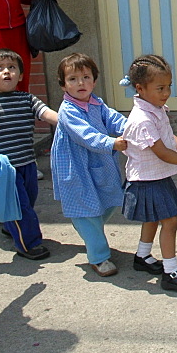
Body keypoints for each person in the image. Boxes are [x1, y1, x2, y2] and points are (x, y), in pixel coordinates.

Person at [120, 55, 177, 292]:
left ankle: (142, 256)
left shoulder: (156, 109)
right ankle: (171, 271)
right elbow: (163, 153)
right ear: (140, 88)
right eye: (160, 88)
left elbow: (168, 138)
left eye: (169, 86)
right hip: (147, 180)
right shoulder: (142, 120)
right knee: (170, 221)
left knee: (154, 218)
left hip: (156, 176)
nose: (166, 92)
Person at [0, 49, 58, 260]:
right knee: (20, 206)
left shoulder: (27, 99)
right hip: (3, 170)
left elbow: (47, 114)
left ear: (21, 75)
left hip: (27, 164)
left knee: (28, 200)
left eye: (12, 67)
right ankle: (28, 244)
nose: (6, 72)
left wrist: (67, 121)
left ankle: (11, 226)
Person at [50, 53, 128, 277]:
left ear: (94, 80)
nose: (80, 83)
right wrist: (113, 142)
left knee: (110, 198)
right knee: (86, 208)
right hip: (75, 167)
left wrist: (135, 126)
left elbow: (114, 119)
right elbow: (85, 135)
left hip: (100, 162)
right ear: (63, 84)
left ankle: (85, 227)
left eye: (86, 77)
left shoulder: (97, 103)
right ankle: (99, 257)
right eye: (73, 79)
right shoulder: (68, 110)